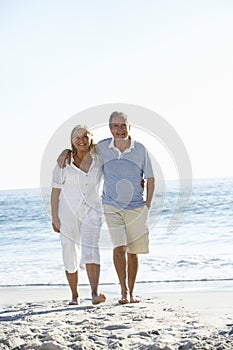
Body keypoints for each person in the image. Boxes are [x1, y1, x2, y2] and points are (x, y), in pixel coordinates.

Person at [58, 112, 155, 304]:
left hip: (136, 206)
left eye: (123, 125)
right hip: (111, 206)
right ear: (110, 128)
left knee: (133, 252)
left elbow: (150, 178)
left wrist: (148, 205)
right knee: (119, 248)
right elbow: (81, 147)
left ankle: (132, 292)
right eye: (115, 126)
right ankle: (123, 292)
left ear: (129, 126)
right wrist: (65, 152)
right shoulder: (102, 147)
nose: (119, 130)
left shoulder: (141, 149)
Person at [51, 125, 106, 305]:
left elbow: (117, 169)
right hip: (67, 213)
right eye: (77, 137)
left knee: (91, 248)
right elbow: (55, 192)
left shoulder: (100, 160)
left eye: (85, 136)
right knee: (70, 252)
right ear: (72, 141)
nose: (81, 140)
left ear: (91, 138)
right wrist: (54, 217)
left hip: (92, 211)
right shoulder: (63, 163)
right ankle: (75, 295)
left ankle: (95, 293)